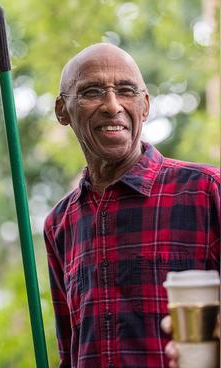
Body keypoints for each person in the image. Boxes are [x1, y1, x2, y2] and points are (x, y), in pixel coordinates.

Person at [43, 43, 220, 368]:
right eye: (92, 92)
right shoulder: (60, 223)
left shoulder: (207, 191)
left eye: (126, 91)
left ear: (145, 105)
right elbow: (70, 353)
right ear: (62, 110)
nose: (113, 106)